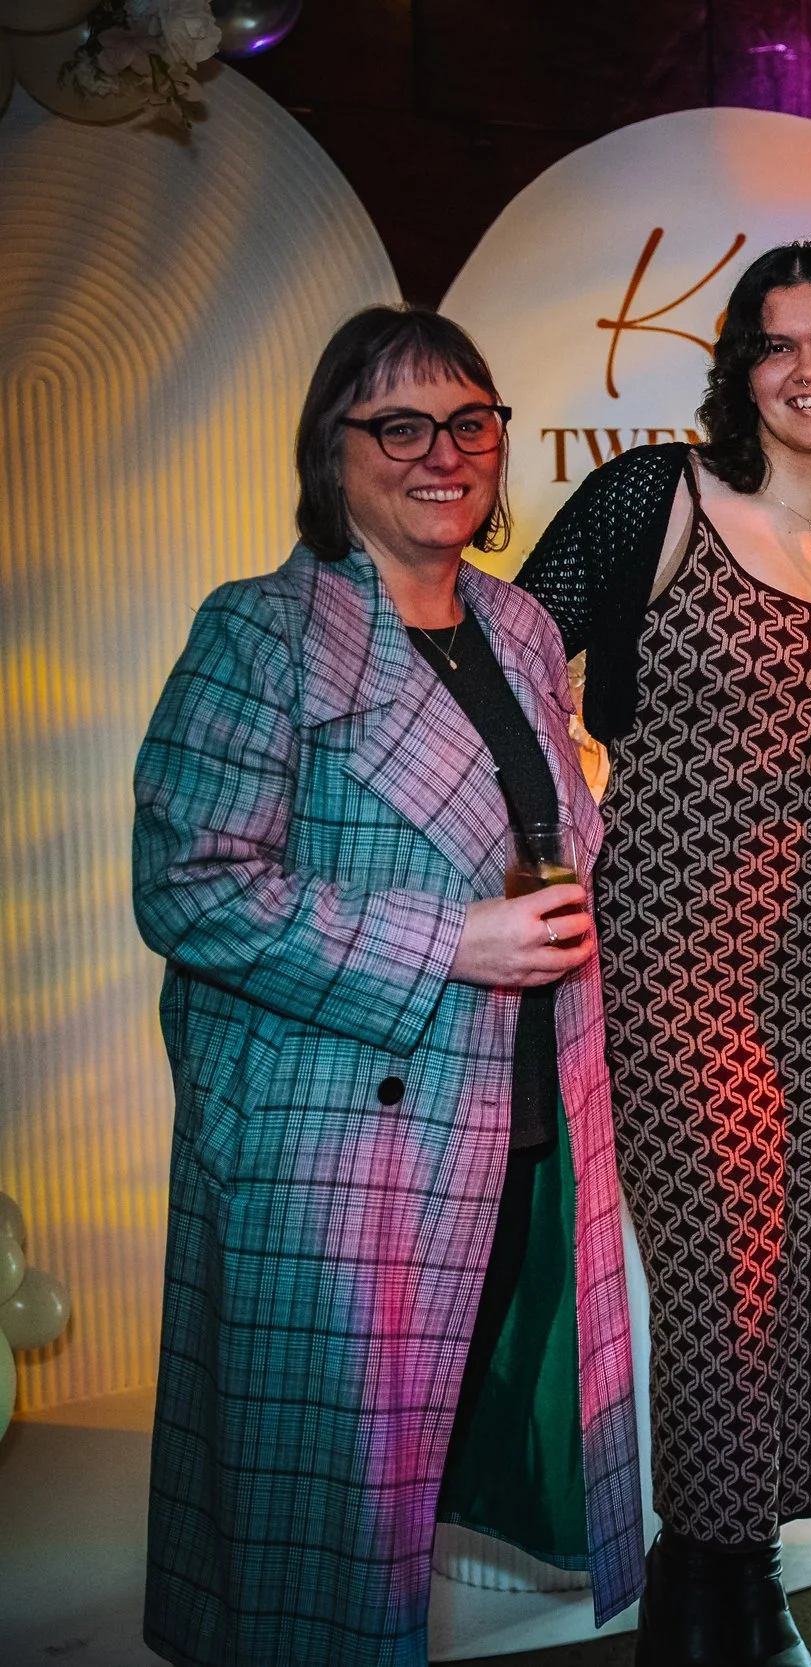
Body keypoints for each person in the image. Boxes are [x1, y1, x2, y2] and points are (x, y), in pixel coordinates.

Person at [134, 306, 642, 1666]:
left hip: (515, 1117)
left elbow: (548, 837)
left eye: (470, 421)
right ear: (332, 450)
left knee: (416, 1498)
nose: (443, 453)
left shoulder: (522, 624)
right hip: (338, 1143)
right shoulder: (262, 632)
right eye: (399, 424)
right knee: (332, 1542)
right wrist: (446, 938)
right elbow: (189, 886)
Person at [516, 240, 811, 1665]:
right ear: (739, 365)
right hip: (674, 941)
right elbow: (508, 657)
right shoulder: (660, 495)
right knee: (717, 1264)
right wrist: (547, 840)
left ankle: (747, 1565)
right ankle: (704, 1587)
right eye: (779, 343)